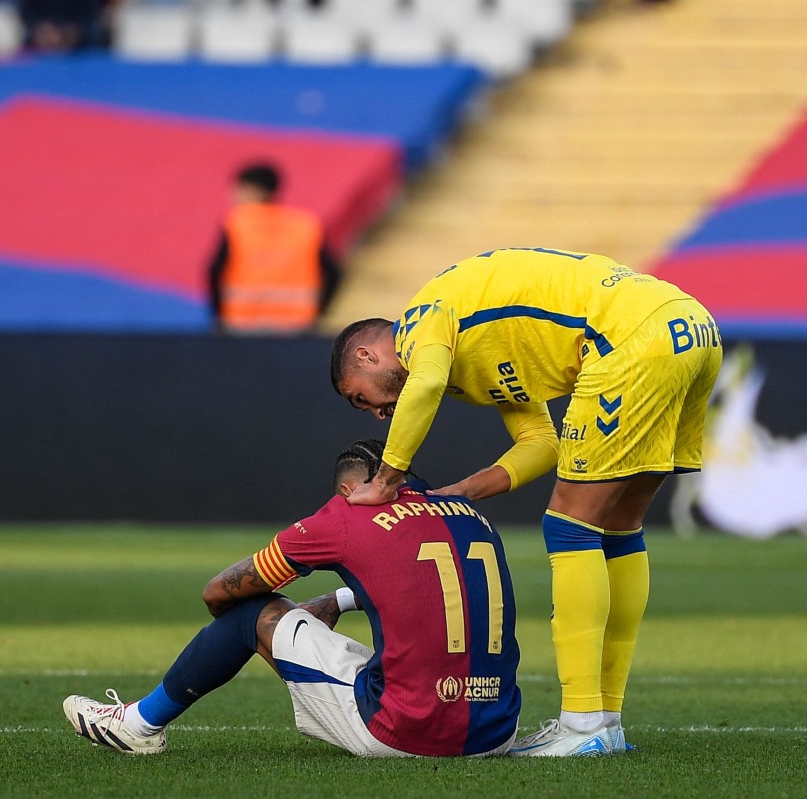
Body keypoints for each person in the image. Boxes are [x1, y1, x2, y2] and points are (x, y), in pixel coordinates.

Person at [329, 247, 723, 756]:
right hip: (690, 328)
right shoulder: (478, 353)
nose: (377, 414)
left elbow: (422, 383)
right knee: (619, 526)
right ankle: (606, 721)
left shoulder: (421, 320)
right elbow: (541, 441)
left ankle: (583, 726)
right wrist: (464, 491)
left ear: (365, 356)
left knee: (569, 527)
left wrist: (386, 480)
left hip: (628, 337)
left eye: (361, 397)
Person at [62, 439, 521, 758]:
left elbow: (217, 592)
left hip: (408, 731)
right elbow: (428, 584)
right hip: (497, 728)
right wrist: (339, 601)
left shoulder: (345, 514)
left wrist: (260, 625)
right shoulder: (465, 512)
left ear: (347, 488)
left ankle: (138, 724)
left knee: (249, 611)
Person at [207, 162, 342, 335]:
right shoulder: (305, 225)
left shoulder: (237, 223)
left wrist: (219, 315)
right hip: (297, 327)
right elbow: (333, 272)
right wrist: (319, 310)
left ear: (253, 190)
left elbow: (215, 271)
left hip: (242, 326)